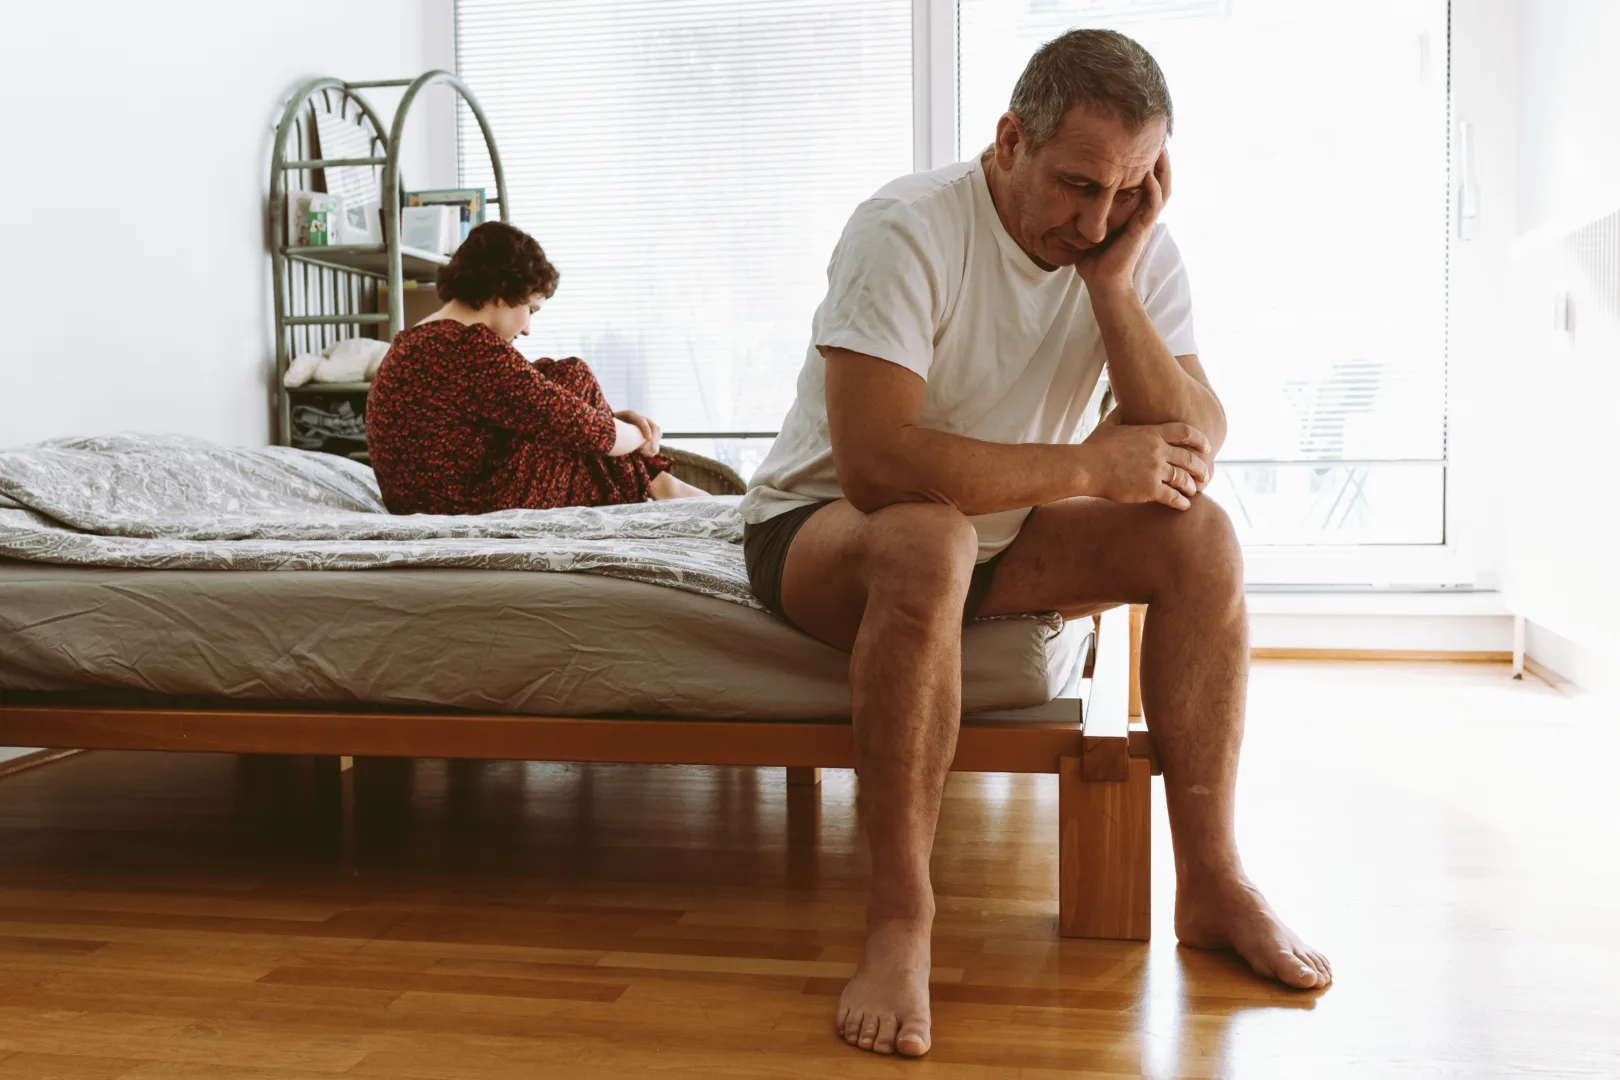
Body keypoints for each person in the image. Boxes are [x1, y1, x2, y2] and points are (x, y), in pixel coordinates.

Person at [740, 28, 1331, 1059]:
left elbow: (1194, 443)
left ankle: (1213, 882)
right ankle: (900, 921)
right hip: (825, 530)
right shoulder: (907, 228)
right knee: (928, 540)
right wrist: (1090, 470)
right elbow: (880, 464)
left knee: (1204, 541)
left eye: (1130, 188)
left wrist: (1112, 290)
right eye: (1075, 185)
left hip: (995, 536)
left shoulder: (1124, 249)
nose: (1097, 217)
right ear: (1010, 138)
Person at [366, 221, 706, 515]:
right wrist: (642, 438)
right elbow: (601, 436)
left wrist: (608, 419)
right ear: (501, 293)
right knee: (574, 376)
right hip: (461, 505)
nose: (528, 328)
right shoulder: (471, 349)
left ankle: (661, 485)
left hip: (434, 497)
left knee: (560, 380)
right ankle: (661, 485)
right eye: (532, 309)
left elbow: (538, 405)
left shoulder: (418, 339)